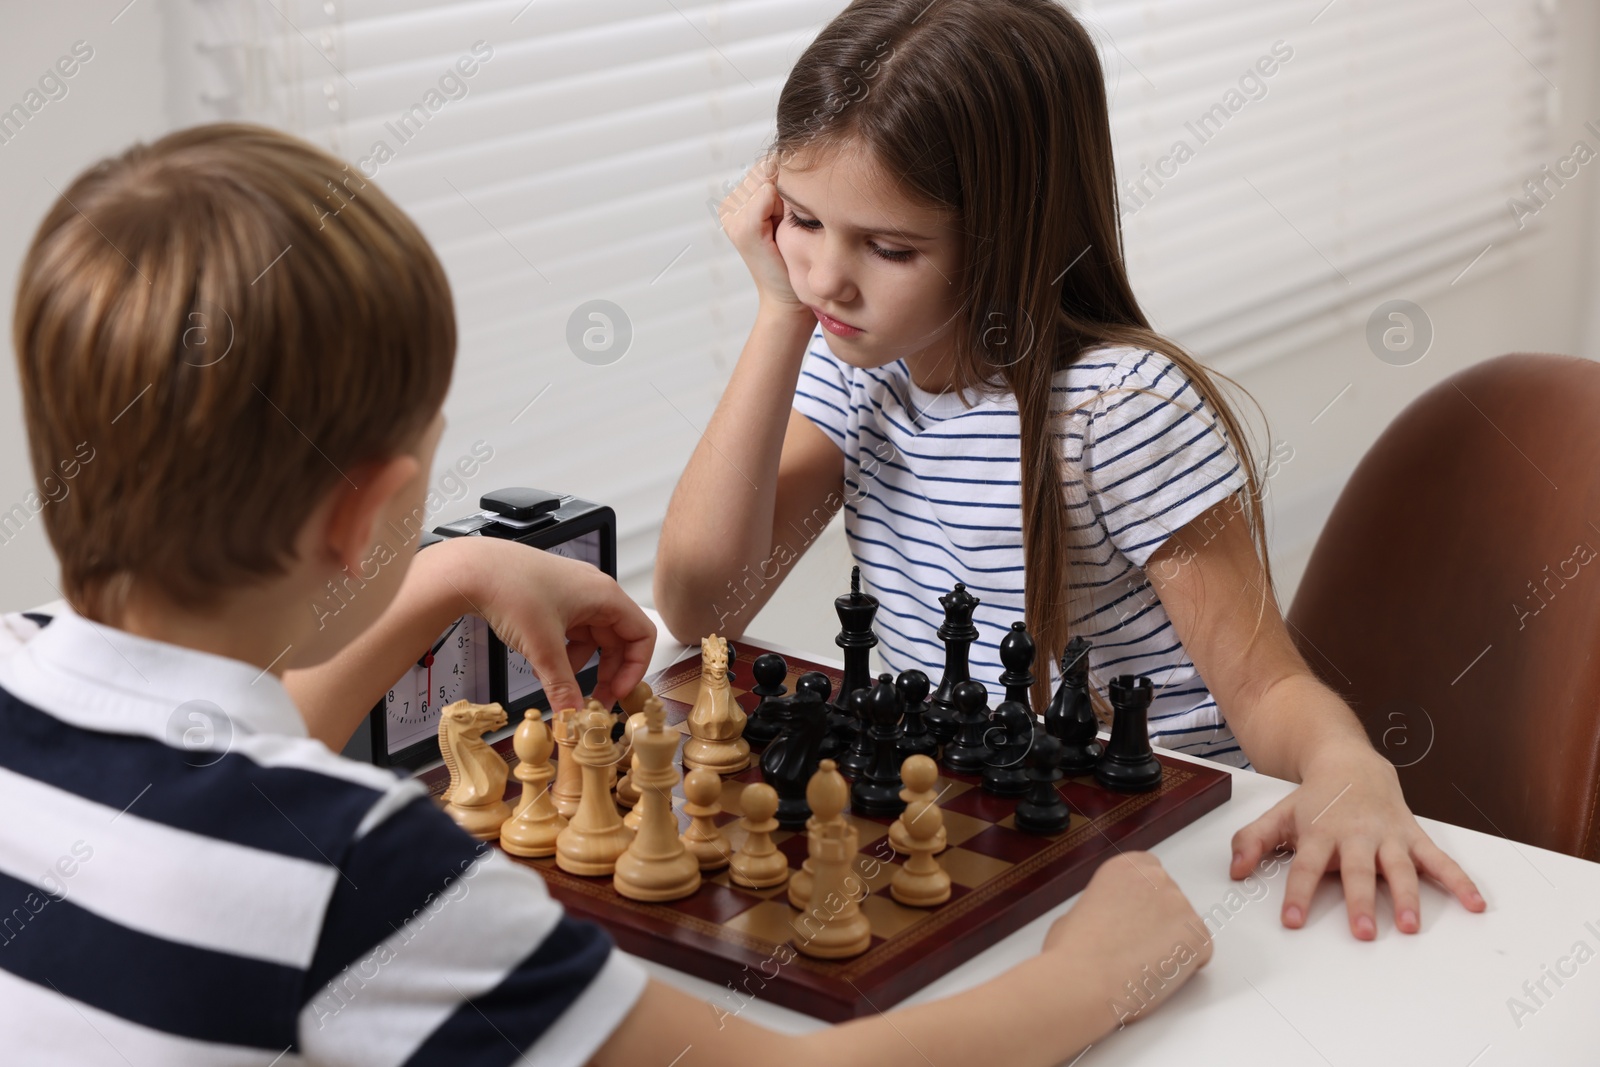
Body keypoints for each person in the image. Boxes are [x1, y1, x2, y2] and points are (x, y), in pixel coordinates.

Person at [0, 121, 1208, 1065]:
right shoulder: (363, 870)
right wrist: (1096, 975)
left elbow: (207, 762)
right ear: (364, 512)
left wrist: (455, 572)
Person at [655, 0, 1486, 941]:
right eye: (800, 219)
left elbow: (1264, 688)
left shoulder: (1116, 410)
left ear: (1010, 229)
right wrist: (776, 317)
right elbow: (700, 607)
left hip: (1161, 851)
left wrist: (1349, 768)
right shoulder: (855, 367)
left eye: (890, 247)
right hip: (980, 829)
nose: (826, 278)